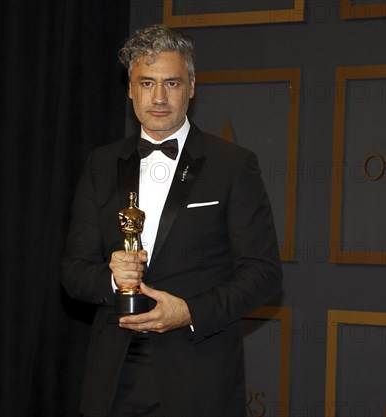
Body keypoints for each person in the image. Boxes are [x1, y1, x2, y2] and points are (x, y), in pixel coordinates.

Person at [62, 24, 282, 417]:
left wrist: (190, 312)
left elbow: (263, 274)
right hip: (114, 377)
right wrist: (114, 278)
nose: (159, 97)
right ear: (130, 89)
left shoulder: (233, 164)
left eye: (172, 83)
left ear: (192, 87)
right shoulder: (100, 163)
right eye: (147, 83)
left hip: (198, 374)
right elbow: (74, 271)